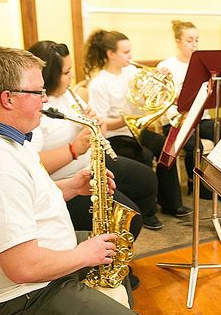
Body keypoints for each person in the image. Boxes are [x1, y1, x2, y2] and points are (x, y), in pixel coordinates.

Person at [0, 47, 142, 315]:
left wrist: (72, 186)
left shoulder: (6, 135)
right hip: (23, 297)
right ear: (8, 99)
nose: (46, 98)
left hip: (41, 265)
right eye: (38, 92)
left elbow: (27, 198)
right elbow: (22, 268)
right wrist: (85, 254)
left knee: (113, 248)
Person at [27, 40, 164, 232]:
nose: (71, 76)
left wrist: (98, 125)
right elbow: (32, 165)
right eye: (66, 73)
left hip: (93, 163)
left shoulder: (66, 94)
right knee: (129, 221)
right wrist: (74, 149)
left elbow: (97, 126)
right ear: (48, 75)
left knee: (146, 180)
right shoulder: (33, 109)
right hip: (66, 181)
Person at [84, 29, 192, 218]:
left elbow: (146, 97)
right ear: (110, 54)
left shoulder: (132, 72)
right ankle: (146, 212)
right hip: (114, 137)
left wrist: (160, 79)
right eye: (125, 52)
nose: (130, 56)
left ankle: (170, 203)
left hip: (136, 130)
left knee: (166, 147)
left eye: (130, 51)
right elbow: (101, 124)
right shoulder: (99, 83)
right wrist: (125, 121)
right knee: (144, 155)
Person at [157, 20, 221, 199]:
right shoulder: (166, 66)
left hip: (200, 118)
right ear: (178, 42)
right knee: (194, 144)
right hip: (176, 121)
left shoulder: (203, 65)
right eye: (189, 40)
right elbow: (161, 101)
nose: (194, 44)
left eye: (197, 40)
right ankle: (195, 183)